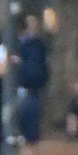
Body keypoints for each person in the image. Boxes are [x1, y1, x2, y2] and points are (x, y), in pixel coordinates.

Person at [12, 12, 50, 144]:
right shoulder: (22, 43)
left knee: (31, 108)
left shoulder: (39, 44)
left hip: (34, 83)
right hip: (25, 82)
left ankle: (30, 134)